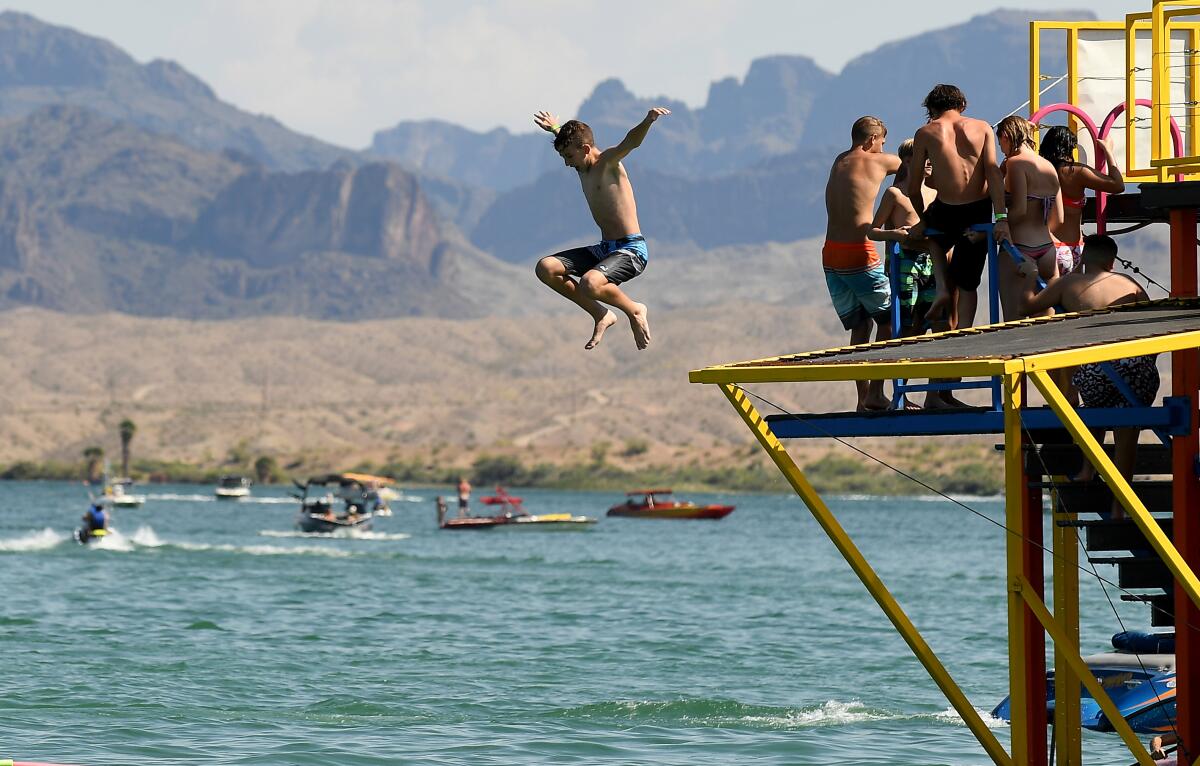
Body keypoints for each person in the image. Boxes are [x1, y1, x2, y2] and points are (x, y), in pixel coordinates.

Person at [1017, 234, 1154, 519]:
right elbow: (1152, 324)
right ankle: (1120, 508)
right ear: (1111, 262)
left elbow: (1027, 306)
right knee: (1127, 431)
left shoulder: (1070, 283)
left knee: (1093, 401)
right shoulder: (1131, 284)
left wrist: (1030, 276)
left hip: (1097, 373)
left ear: (1082, 260)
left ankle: (1086, 468)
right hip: (1138, 370)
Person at [532, 107, 670, 351]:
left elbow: (631, 142)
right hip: (606, 249)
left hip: (631, 250)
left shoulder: (608, 163)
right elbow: (572, 139)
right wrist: (555, 127)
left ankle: (635, 310)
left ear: (585, 150)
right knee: (546, 267)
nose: (566, 164)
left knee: (590, 284)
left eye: (569, 157)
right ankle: (601, 314)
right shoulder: (580, 162)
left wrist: (647, 121)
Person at [869, 138, 965, 409]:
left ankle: (935, 395)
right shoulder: (895, 195)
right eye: (926, 157)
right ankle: (897, 393)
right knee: (907, 329)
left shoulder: (936, 193)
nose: (931, 163)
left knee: (940, 326)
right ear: (910, 162)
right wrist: (894, 235)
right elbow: (872, 230)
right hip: (905, 266)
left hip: (933, 264)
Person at [908, 84, 1010, 329]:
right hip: (979, 208)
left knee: (931, 238)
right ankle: (965, 329)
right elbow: (993, 174)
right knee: (968, 283)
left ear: (932, 109)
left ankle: (942, 288)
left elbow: (913, 186)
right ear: (962, 105)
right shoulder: (983, 127)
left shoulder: (925, 133)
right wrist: (1001, 217)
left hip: (947, 209)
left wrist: (923, 218)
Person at [824, 115, 900, 411]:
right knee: (888, 321)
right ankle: (877, 393)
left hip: (830, 254)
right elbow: (914, 164)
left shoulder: (839, 160)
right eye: (882, 142)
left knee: (861, 324)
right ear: (871, 140)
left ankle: (862, 399)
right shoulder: (877, 161)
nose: (883, 148)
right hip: (858, 252)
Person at [997, 115, 1062, 319]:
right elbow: (1059, 217)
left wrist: (1002, 221)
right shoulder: (1048, 166)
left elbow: (1020, 211)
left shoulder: (1016, 164)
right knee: (1045, 323)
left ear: (1006, 137)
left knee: (1012, 321)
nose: (1002, 150)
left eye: (1001, 143)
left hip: (1019, 249)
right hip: (1048, 251)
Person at [1039, 126, 1125, 275]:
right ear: (1071, 146)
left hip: (1049, 245)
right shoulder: (1076, 172)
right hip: (1074, 248)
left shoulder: (1041, 172)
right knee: (1071, 296)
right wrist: (1108, 151)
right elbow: (1118, 185)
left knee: (1048, 295)